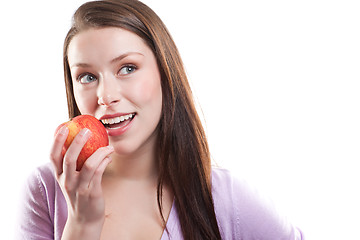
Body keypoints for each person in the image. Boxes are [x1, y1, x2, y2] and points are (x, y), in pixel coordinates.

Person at [16, 0, 303, 239]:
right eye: (87, 77)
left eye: (127, 68)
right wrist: (81, 227)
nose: (106, 95)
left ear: (165, 73)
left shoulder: (225, 199)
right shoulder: (45, 190)